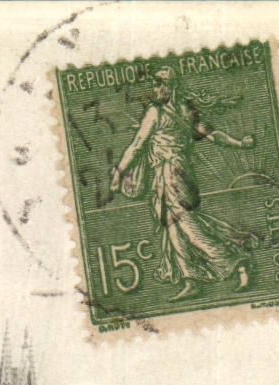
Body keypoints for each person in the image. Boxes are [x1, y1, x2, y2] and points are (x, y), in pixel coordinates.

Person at [109, 65, 257, 302]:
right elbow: (214, 135)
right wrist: (240, 144)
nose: (154, 89)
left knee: (188, 226)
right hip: (177, 173)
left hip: (171, 174)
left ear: (169, 87)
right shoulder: (186, 111)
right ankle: (191, 280)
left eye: (158, 85)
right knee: (174, 228)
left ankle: (237, 262)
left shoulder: (155, 114)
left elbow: (137, 144)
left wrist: (118, 173)